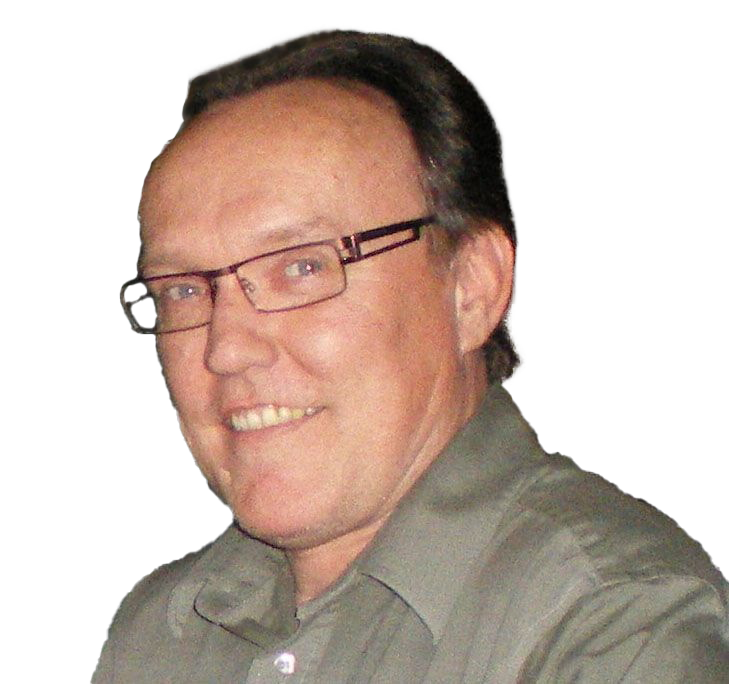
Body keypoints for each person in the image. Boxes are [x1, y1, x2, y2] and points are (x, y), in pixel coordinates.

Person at [93, 30, 728, 682]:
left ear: (471, 288)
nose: (225, 348)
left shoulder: (613, 624)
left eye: (302, 267)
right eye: (182, 290)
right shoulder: (162, 631)